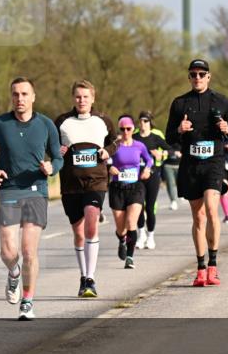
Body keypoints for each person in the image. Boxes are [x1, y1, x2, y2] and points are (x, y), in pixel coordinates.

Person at [0, 78, 62, 320]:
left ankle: (27, 300)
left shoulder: (46, 124)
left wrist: (51, 168)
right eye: (15, 94)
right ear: (11, 97)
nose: (20, 99)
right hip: (9, 189)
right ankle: (13, 273)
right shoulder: (0, 124)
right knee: (8, 251)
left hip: (36, 190)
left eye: (25, 94)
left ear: (33, 97)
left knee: (29, 250)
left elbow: (58, 157)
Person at [164, 59, 228, 288]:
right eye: (193, 74)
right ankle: (201, 268)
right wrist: (179, 130)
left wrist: (227, 129)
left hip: (214, 163)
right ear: (189, 77)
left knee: (212, 209)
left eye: (201, 74)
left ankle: (214, 265)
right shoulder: (179, 103)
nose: (197, 78)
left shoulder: (222, 101)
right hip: (191, 164)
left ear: (209, 76)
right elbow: (168, 138)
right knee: (198, 217)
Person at [55, 81, 117, 298]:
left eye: (85, 97)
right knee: (79, 234)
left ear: (93, 98)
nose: (82, 101)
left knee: (91, 225)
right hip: (71, 184)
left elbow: (114, 142)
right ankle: (83, 277)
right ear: (73, 98)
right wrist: (57, 151)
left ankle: (90, 279)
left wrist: (108, 151)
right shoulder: (62, 122)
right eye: (78, 97)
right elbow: (49, 146)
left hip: (96, 181)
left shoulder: (103, 121)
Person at [108, 116, 154, 269]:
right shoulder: (115, 146)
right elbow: (104, 160)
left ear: (133, 129)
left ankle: (130, 257)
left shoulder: (139, 146)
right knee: (121, 228)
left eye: (128, 128)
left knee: (131, 223)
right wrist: (110, 168)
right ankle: (122, 240)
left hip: (135, 187)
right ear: (119, 130)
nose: (126, 131)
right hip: (117, 188)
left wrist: (147, 169)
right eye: (122, 129)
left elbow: (149, 159)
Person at [134, 111, 172, 249]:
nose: (143, 123)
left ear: (150, 122)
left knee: (150, 208)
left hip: (153, 175)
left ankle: (150, 236)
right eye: (141, 121)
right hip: (137, 176)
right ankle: (141, 235)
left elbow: (171, 150)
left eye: (146, 121)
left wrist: (161, 153)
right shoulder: (134, 137)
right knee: (138, 206)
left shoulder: (155, 137)